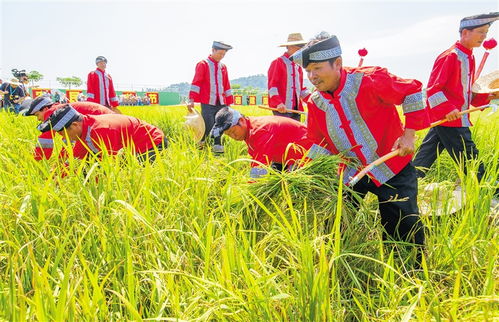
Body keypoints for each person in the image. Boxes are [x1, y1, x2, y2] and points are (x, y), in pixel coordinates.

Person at [291, 34, 430, 257]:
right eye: (308, 71)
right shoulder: (315, 103)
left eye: (317, 68)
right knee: (336, 222)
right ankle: (337, 265)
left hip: (391, 164)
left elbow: (412, 91)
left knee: (402, 225)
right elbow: (318, 142)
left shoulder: (370, 80)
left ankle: (408, 273)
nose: (312, 76)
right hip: (352, 171)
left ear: (337, 64)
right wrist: (306, 172)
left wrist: (409, 135)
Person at [413, 12, 499, 183]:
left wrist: (490, 95)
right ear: (465, 32)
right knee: (470, 159)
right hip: (452, 120)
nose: (483, 36)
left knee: (423, 161)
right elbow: (433, 89)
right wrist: (448, 109)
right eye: (480, 31)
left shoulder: (469, 56)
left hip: (451, 119)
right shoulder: (451, 56)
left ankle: (405, 190)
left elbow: (466, 94)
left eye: (486, 33)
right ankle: (489, 192)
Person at [38, 105, 167, 165]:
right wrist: (55, 177)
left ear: (75, 125)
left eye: (63, 134)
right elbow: (76, 159)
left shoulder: (100, 131)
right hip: (133, 146)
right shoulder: (85, 129)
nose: (64, 138)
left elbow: (109, 168)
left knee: (137, 176)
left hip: (153, 143)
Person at [211, 107, 313, 178]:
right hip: (288, 156)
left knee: (291, 187)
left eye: (233, 132)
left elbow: (260, 166)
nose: (233, 137)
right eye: (229, 135)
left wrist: (251, 193)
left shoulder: (259, 131)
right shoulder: (250, 127)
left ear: (241, 121)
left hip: (311, 153)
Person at [24, 95, 116, 160]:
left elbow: (45, 142)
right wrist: (61, 161)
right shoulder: (61, 111)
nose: (38, 119)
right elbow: (69, 141)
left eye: (37, 115)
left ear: (45, 109)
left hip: (103, 124)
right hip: (110, 121)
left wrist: (37, 161)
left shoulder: (52, 114)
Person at [187, 41, 234, 153]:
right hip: (208, 101)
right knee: (208, 124)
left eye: (224, 54)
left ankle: (217, 146)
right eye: (220, 53)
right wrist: (191, 99)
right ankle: (201, 143)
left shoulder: (223, 67)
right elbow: (196, 83)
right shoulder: (203, 64)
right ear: (213, 50)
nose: (221, 56)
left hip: (221, 102)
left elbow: (226, 85)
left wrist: (229, 101)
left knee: (220, 123)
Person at [267, 33, 311, 121]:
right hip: (281, 109)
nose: (300, 51)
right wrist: (278, 103)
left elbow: (301, 89)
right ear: (290, 47)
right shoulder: (277, 62)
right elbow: (272, 87)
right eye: (298, 49)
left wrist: (313, 100)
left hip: (295, 110)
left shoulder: (298, 66)